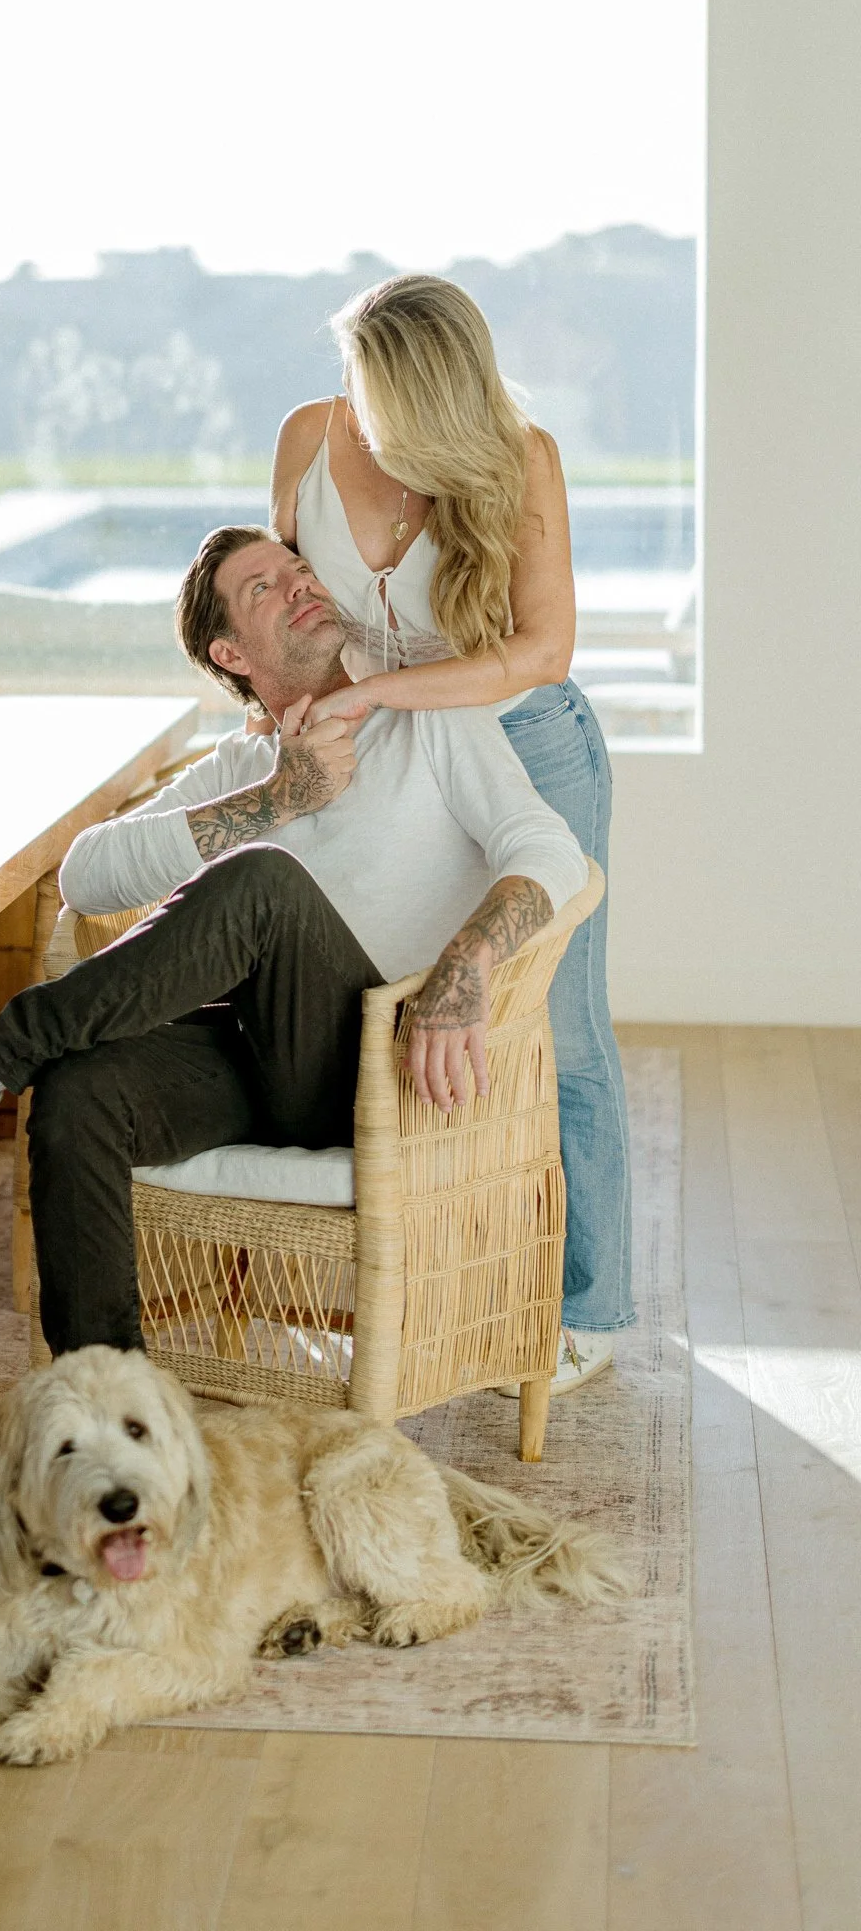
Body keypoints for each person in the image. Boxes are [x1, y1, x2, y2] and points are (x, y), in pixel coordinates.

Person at [0, 527, 588, 1368]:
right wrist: (276, 798)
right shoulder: (239, 767)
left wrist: (467, 964)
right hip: (253, 1065)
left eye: (299, 570)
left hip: (388, 1069)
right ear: (229, 652)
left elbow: (552, 851)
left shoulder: (423, 723)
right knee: (79, 1087)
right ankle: (107, 1396)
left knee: (263, 884)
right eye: (264, 587)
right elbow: (89, 875)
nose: (300, 584)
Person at [271, 273, 630, 1396]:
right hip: (385, 761)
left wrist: (377, 693)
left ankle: (588, 1305)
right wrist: (287, 712)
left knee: (555, 1031)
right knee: (378, 1002)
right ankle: (393, 1275)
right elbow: (284, 610)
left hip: (529, 747)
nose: (368, 421)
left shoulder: (522, 457)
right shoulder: (305, 439)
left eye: (390, 405)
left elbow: (541, 653)